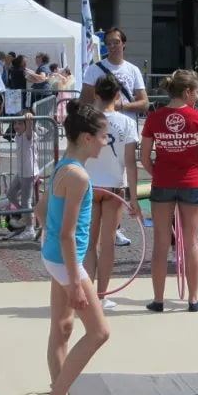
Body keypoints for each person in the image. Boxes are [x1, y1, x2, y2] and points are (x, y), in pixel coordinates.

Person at [36, 100, 110, 395]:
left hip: (56, 257)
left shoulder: (63, 166)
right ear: (86, 138)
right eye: (103, 137)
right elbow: (67, 234)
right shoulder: (77, 175)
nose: (105, 142)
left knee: (63, 327)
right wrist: (76, 282)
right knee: (99, 332)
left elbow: (41, 210)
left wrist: (52, 240)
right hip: (66, 260)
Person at [141, 70, 198, 313]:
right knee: (191, 243)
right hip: (191, 182)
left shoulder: (155, 118)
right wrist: (197, 175)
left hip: (162, 182)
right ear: (187, 92)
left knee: (160, 243)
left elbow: (144, 157)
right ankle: (193, 299)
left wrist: (157, 173)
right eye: (197, 92)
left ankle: (158, 300)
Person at [81, 27, 149, 248]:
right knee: (100, 171)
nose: (112, 46)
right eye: (108, 43)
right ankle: (96, 231)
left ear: (123, 44)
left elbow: (144, 102)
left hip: (123, 129)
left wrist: (121, 106)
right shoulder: (94, 69)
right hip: (99, 128)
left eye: (116, 42)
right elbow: (84, 100)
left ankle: (114, 228)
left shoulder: (132, 70)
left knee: (121, 173)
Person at [84, 75, 141, 310]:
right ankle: (101, 295)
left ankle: (88, 294)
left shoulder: (87, 120)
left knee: (89, 244)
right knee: (107, 244)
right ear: (117, 95)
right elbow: (130, 163)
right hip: (114, 187)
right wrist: (134, 198)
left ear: (96, 93)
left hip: (88, 185)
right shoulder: (126, 122)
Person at [6, 111, 39, 240]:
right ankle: (25, 216)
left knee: (26, 201)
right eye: (15, 123)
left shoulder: (28, 135)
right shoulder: (18, 135)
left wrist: (29, 121)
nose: (16, 126)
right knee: (10, 194)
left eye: (20, 123)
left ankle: (30, 229)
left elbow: (29, 132)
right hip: (21, 172)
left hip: (29, 173)